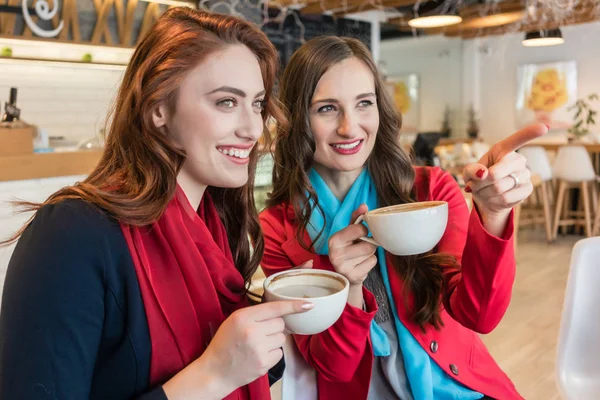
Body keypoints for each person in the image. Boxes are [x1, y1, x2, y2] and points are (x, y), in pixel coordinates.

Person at [0, 8, 313, 400]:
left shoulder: (216, 227)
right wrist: (214, 374)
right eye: (226, 103)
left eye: (256, 104)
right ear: (158, 110)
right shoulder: (71, 234)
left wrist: (265, 326)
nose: (252, 128)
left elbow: (247, 370)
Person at [259, 35, 546, 400]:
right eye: (327, 108)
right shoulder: (277, 228)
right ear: (298, 118)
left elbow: (479, 316)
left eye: (364, 103)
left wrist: (493, 214)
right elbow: (334, 367)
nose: (350, 127)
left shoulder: (430, 192)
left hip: (456, 388)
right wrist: (347, 287)